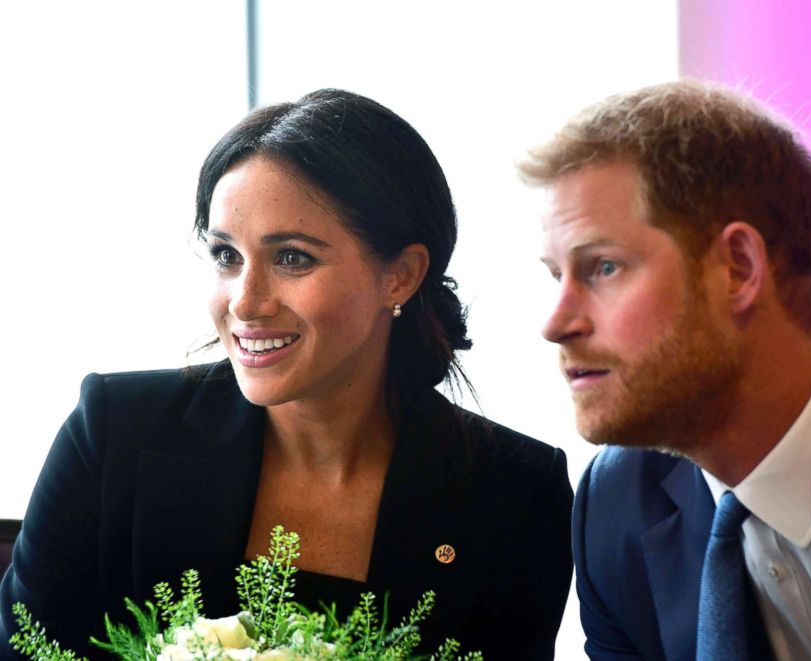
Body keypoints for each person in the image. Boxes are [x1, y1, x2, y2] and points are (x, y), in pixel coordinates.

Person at [1, 89, 573, 660]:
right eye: (226, 255)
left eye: (292, 257)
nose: (246, 302)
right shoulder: (111, 433)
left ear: (400, 274)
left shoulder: (517, 493)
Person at [520, 80, 811, 660]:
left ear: (738, 268)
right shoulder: (615, 506)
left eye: (604, 268)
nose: (556, 322)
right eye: (555, 276)